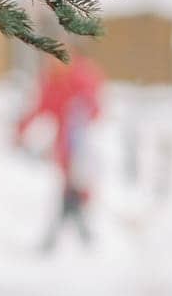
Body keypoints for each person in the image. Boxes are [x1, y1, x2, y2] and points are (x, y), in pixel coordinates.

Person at [13, 47, 105, 251]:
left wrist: (79, 113)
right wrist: (21, 129)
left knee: (72, 187)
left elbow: (95, 107)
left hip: (78, 144)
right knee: (70, 188)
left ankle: (61, 237)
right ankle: (78, 235)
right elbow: (40, 107)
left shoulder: (80, 76)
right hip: (65, 146)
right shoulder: (52, 81)